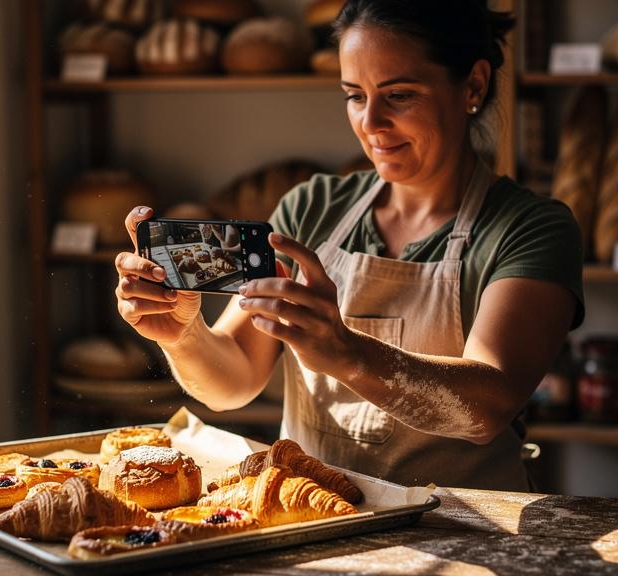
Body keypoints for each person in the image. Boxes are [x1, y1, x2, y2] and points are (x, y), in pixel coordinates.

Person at [114, 0, 583, 492]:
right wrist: (182, 334)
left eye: (399, 95)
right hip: (312, 515)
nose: (371, 124)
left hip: (471, 530)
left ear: (473, 85)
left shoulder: (530, 228)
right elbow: (234, 379)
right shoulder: (313, 208)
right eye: (355, 96)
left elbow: (488, 406)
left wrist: (348, 355)